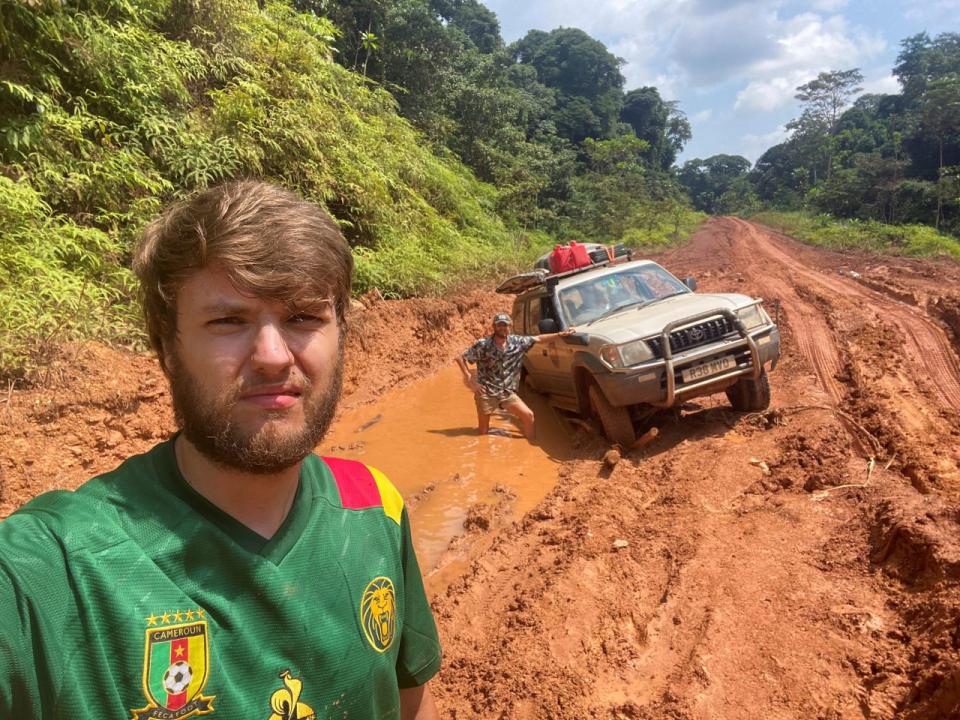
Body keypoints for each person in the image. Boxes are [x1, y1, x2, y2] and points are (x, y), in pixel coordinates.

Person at [0, 180, 442, 720]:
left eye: (303, 317)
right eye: (228, 321)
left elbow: (409, 703)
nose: (274, 356)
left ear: (341, 334)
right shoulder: (57, 570)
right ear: (166, 346)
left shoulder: (375, 504)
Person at [457, 313, 573, 440]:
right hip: (486, 392)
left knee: (529, 416)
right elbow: (461, 358)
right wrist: (470, 380)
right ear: (494, 327)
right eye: (499, 325)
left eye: (505, 325)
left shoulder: (517, 342)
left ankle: (530, 448)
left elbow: (538, 339)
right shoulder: (483, 344)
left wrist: (559, 335)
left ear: (510, 327)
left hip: (507, 392)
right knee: (483, 432)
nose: (502, 327)